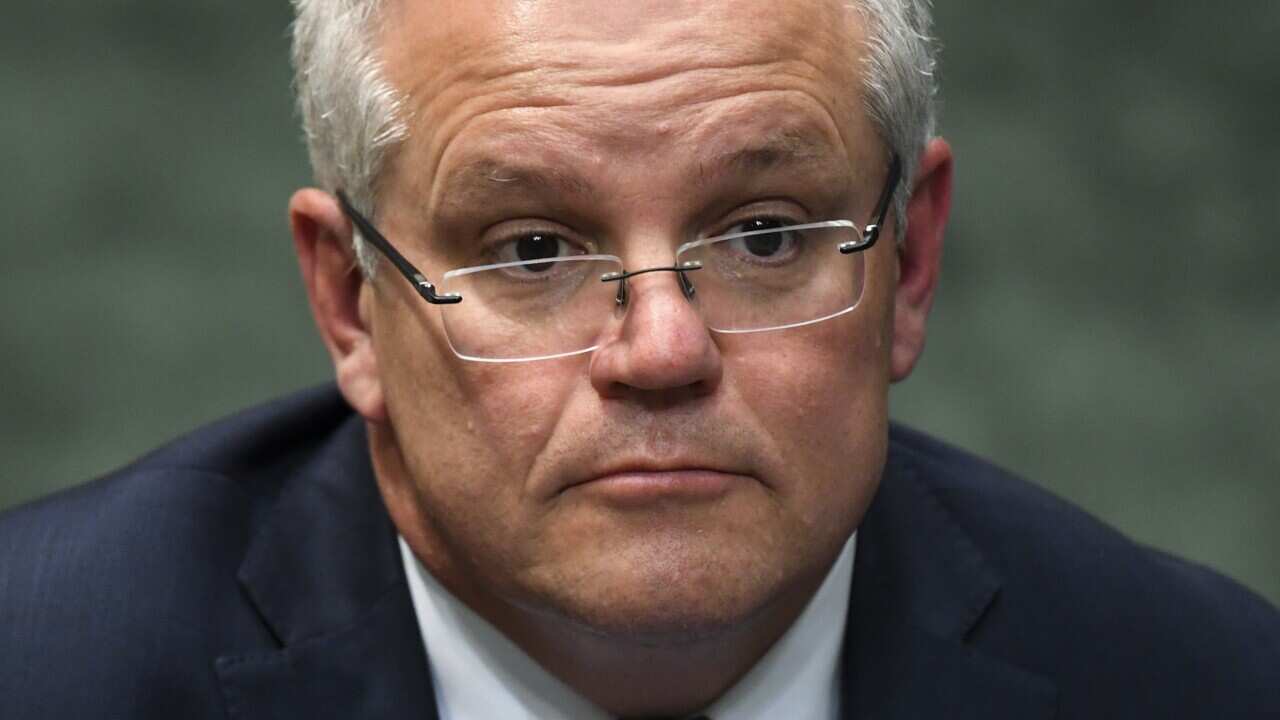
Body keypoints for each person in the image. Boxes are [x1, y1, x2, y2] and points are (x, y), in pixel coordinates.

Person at [1, 0, 1276, 717]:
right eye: (533, 248)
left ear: (909, 263)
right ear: (351, 304)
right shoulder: (44, 670)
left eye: (765, 236)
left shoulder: (1199, 684)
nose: (661, 351)